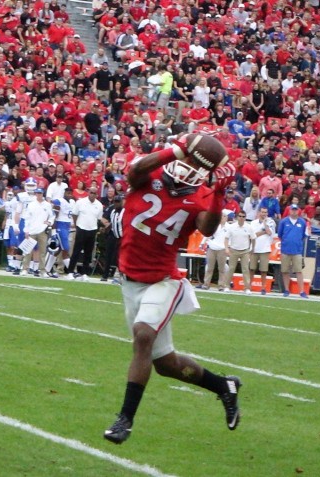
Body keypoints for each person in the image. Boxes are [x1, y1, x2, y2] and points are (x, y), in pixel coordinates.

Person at [104, 134, 241, 444]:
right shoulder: (148, 175)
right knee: (165, 364)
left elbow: (207, 228)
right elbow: (134, 170)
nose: (186, 166)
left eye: (194, 162)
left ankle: (125, 419)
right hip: (130, 281)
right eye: (185, 158)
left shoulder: (203, 194)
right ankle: (224, 386)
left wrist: (218, 193)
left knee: (143, 335)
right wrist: (176, 150)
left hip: (164, 280)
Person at [66, 186, 104, 280]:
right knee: (76, 251)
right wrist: (77, 225)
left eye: (94, 193)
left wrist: (96, 229)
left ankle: (84, 273)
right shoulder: (80, 202)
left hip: (92, 230)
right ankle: (70, 272)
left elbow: (98, 219)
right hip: (81, 228)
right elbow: (74, 214)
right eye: (91, 192)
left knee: (88, 253)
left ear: (97, 194)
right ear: (88, 192)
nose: (92, 195)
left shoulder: (99, 205)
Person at [277, 204, 310, 298]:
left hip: (297, 250)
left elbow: (304, 235)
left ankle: (302, 291)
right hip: (285, 250)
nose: (294, 211)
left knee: (298, 271)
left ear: (298, 211)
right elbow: (280, 234)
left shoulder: (302, 222)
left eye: (296, 210)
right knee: (285, 271)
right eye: (292, 210)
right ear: (289, 210)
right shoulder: (284, 222)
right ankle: (286, 290)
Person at [223, 211, 255, 294]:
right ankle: (227, 286)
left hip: (245, 251)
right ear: (237, 217)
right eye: (240, 216)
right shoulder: (232, 227)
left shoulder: (249, 227)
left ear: (245, 217)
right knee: (231, 269)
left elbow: (253, 238)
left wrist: (252, 248)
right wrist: (227, 248)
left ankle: (247, 288)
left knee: (245, 269)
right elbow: (226, 238)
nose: (241, 218)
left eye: (243, 216)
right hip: (233, 250)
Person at [199, 211, 229, 290]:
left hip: (222, 249)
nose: (223, 218)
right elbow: (207, 234)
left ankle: (221, 285)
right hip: (212, 248)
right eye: (222, 216)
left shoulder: (229, 227)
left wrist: (228, 248)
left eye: (224, 216)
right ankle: (206, 284)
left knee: (222, 269)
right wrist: (202, 243)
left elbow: (230, 238)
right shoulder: (214, 225)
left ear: (227, 218)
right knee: (209, 268)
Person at [250, 207, 276, 295]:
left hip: (265, 248)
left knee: (263, 270)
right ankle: (248, 286)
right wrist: (263, 232)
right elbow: (252, 235)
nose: (264, 214)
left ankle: (263, 287)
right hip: (254, 248)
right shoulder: (253, 223)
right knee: (252, 268)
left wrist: (265, 225)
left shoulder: (271, 222)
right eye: (262, 212)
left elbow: (269, 232)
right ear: (259, 213)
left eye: (265, 212)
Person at [99, 194, 124, 282]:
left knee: (120, 257)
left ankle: (120, 275)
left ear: (121, 202)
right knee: (108, 256)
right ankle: (105, 275)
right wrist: (104, 229)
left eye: (118, 202)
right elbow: (111, 224)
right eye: (115, 202)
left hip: (122, 237)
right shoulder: (112, 211)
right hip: (113, 235)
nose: (117, 204)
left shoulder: (125, 211)